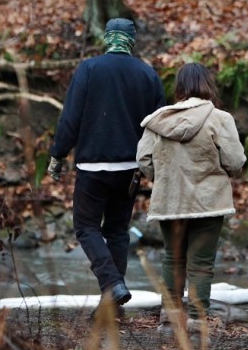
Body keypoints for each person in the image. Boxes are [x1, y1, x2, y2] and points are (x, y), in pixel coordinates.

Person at [47, 18, 165, 318]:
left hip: (93, 166)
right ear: (132, 40)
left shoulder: (89, 69)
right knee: (117, 231)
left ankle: (112, 284)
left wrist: (58, 154)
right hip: (131, 168)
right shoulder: (147, 74)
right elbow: (158, 126)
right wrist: (152, 164)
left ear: (106, 38)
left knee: (86, 228)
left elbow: (71, 117)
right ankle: (111, 307)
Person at [136, 63, 246, 337]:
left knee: (173, 259)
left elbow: (143, 161)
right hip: (209, 203)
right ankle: (197, 324)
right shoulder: (220, 118)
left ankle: (170, 321)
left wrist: (163, 178)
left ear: (179, 87)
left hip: (169, 203)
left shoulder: (158, 119)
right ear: (208, 85)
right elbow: (235, 162)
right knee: (201, 263)